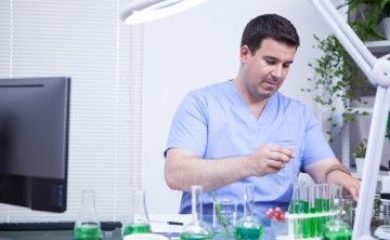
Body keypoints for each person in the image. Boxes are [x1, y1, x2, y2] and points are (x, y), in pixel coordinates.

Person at [163, 13, 360, 225]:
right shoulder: (201, 104)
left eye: (286, 65)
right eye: (271, 61)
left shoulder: (298, 114)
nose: (278, 74)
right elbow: (176, 174)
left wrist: (341, 180)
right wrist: (250, 164)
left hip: (277, 231)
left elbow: (327, 168)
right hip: (208, 230)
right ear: (245, 54)